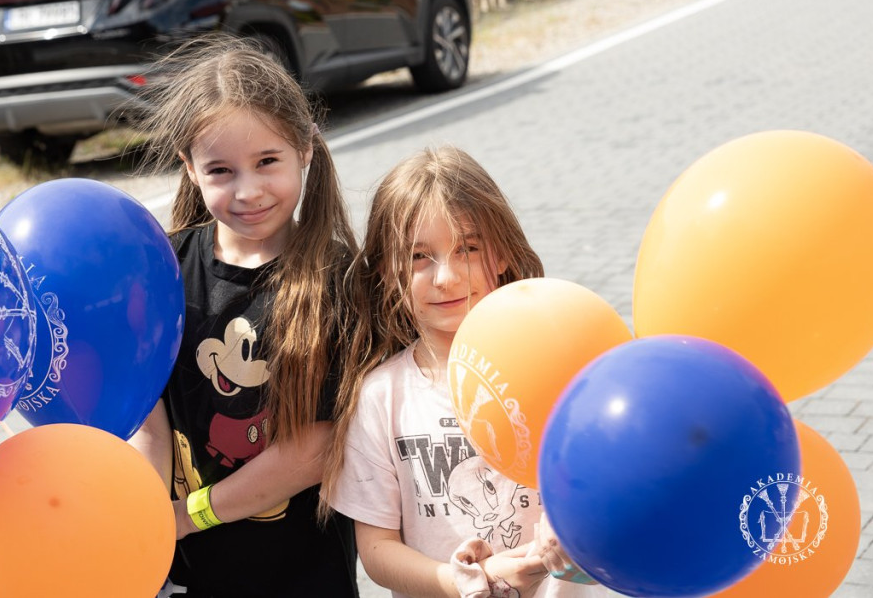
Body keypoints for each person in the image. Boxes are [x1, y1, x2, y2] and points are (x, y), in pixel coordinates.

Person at [130, 35, 359, 597]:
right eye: (222, 171)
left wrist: (185, 517)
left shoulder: (339, 277)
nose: (248, 190)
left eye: (266, 162)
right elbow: (148, 421)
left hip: (304, 579)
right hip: (188, 578)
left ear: (305, 148)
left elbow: (315, 450)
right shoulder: (165, 268)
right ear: (189, 167)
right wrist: (142, 531)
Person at [322, 147, 605, 598]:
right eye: (419, 256)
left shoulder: (557, 361)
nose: (445, 277)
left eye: (467, 248)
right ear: (385, 271)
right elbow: (376, 549)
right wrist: (468, 580)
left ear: (502, 255)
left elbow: (609, 472)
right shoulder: (381, 397)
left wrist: (569, 519)